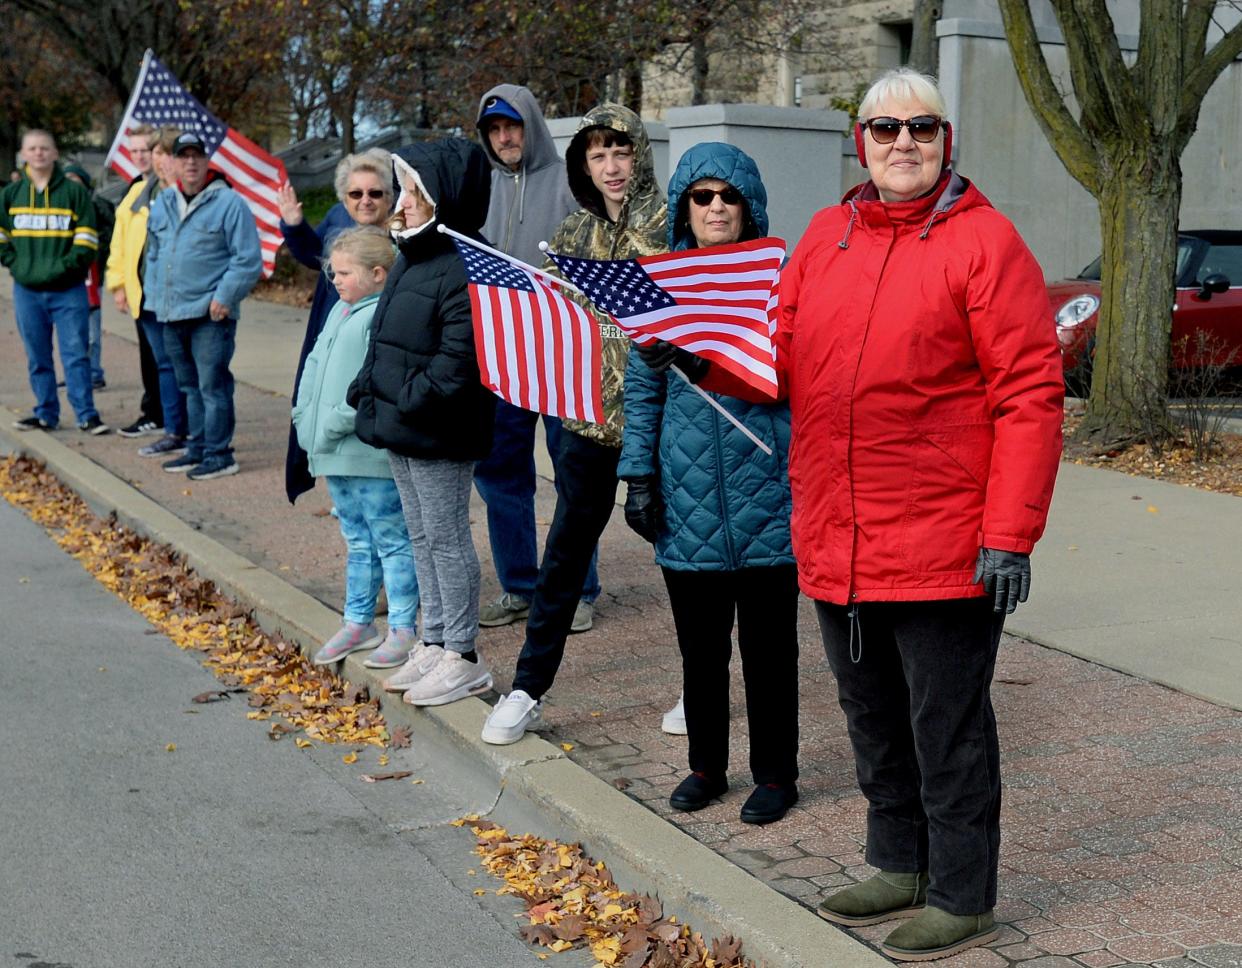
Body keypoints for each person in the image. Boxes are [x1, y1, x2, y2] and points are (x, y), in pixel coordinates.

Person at [696, 68, 1064, 961]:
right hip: (838, 533)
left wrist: (1009, 533)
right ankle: (898, 861)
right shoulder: (826, 239)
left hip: (943, 541)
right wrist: (699, 357)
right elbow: (774, 363)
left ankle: (962, 891)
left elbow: (1030, 394)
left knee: (947, 727)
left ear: (947, 142)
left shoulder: (986, 245)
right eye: (886, 128)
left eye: (923, 129)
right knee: (873, 718)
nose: (904, 144)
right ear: (858, 141)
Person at [619, 143, 800, 825]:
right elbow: (641, 393)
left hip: (767, 492)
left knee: (769, 651)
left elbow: (790, 375)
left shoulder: (776, 280)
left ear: (748, 203)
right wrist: (637, 473)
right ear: (683, 207)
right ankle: (706, 766)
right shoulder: (657, 283)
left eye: (728, 195)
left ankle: (776, 774)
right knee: (700, 650)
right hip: (686, 498)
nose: (716, 207)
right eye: (702, 196)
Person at [482, 104, 667, 745]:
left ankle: (698, 694)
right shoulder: (573, 236)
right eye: (598, 155)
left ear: (639, 154)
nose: (612, 166)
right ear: (582, 166)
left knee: (683, 561)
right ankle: (528, 688)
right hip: (589, 424)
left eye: (621, 152)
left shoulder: (671, 227)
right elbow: (548, 322)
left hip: (665, 427)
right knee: (563, 557)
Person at [348, 139, 497, 705]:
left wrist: (404, 399)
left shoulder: (466, 264)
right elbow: (383, 336)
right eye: (402, 189)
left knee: (446, 538)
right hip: (402, 424)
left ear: (444, 196)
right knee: (420, 536)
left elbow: (457, 364)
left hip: (440, 427)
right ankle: (433, 640)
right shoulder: (413, 253)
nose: (400, 203)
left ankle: (462, 653)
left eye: (413, 191)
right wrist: (367, 389)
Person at [472, 84, 599, 634]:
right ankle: (520, 585)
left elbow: (595, 261)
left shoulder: (571, 182)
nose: (505, 137)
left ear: (532, 126)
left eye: (513, 125)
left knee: (575, 475)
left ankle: (578, 590)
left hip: (564, 354)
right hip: (502, 355)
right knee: (500, 474)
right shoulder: (479, 188)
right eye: (495, 129)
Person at [292, 226, 420, 668]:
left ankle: (404, 627)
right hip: (330, 451)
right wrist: (303, 415)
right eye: (334, 272)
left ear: (379, 274)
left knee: (392, 540)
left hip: (367, 453)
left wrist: (331, 423)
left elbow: (371, 386)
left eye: (345, 272)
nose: (336, 280)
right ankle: (359, 621)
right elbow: (314, 363)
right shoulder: (340, 312)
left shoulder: (380, 317)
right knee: (357, 541)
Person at [144, 131, 263, 481]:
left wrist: (224, 297)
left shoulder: (229, 204)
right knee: (189, 387)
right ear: (174, 162)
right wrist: (155, 301)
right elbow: (153, 255)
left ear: (207, 160)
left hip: (211, 315)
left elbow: (248, 260)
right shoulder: (164, 202)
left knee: (213, 387)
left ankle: (220, 454)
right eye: (184, 156)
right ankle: (197, 448)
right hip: (170, 313)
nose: (191, 162)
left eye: (197, 155)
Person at [278, 148, 393, 504]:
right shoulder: (336, 218)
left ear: (389, 196)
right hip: (333, 322)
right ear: (344, 197)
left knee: (361, 402)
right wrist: (294, 226)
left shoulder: (402, 229)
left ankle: (371, 483)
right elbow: (315, 255)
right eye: (356, 194)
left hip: (379, 331)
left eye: (375, 193)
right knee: (332, 398)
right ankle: (339, 477)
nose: (365, 201)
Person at [1, 129, 107, 434]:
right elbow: (1, 239)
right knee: (38, 356)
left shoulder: (74, 194)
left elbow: (87, 241)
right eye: (32, 148)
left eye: (45, 148)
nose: (38, 154)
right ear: (23, 154)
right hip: (27, 290)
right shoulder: (10, 195)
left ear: (55, 153)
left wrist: (63, 268)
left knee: (75, 354)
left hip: (69, 290)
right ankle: (46, 413)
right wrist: (18, 266)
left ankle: (86, 414)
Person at [104, 123, 173, 443]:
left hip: (165, 291)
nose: (140, 156)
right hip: (139, 291)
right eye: (134, 151)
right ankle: (156, 414)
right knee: (151, 357)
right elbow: (118, 244)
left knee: (168, 361)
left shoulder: (167, 191)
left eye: (146, 150)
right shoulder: (134, 192)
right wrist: (117, 285)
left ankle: (169, 419)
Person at [62, 163, 115, 392]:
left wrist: (93, 251)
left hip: (92, 275)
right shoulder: (61, 205)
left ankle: (94, 372)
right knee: (70, 330)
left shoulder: (98, 206)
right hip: (67, 277)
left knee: (92, 330)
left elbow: (110, 237)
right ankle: (75, 372)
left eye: (76, 179)